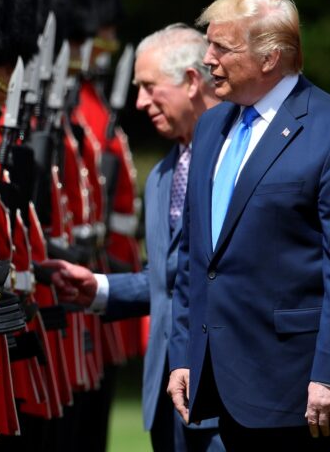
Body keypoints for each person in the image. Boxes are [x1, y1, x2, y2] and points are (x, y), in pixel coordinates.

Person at [166, 0, 330, 452]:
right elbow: (196, 257)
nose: (207, 59)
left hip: (311, 395)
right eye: (208, 44)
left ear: (270, 57)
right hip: (227, 385)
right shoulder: (211, 126)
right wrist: (185, 355)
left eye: (222, 47)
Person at [43, 24, 224, 452]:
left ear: (192, 82)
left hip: (226, 390)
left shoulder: (236, 163)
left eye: (149, 87)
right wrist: (100, 287)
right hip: (168, 393)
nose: (139, 102)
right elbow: (171, 274)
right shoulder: (165, 172)